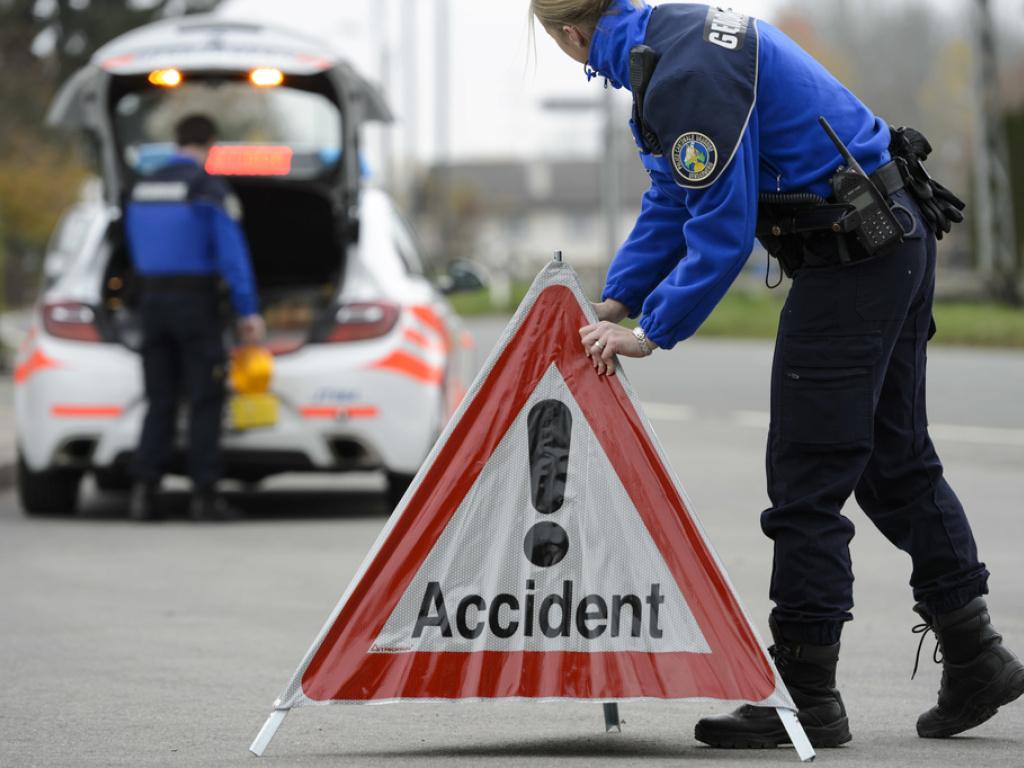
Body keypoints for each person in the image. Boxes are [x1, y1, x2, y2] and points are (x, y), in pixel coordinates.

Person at [531, 0, 1023, 749]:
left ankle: (802, 695)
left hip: (853, 256)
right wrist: (617, 296)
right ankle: (976, 656)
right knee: (894, 463)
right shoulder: (671, 39)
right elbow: (675, 196)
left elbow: (722, 234)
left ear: (571, 35)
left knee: (805, 479)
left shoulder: (682, 73)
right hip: (891, 237)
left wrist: (649, 333)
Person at [125, 114, 264, 522]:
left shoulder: (142, 188)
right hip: (195, 305)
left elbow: (133, 248)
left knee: (160, 399)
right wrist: (248, 310)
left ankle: (144, 492)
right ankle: (204, 496)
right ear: (211, 144)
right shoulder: (207, 188)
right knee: (205, 398)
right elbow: (231, 256)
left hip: (150, 304)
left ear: (176, 140)